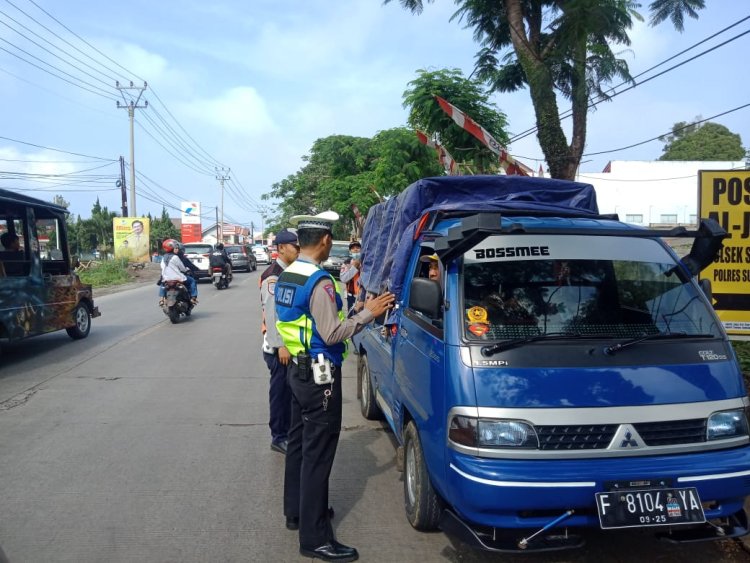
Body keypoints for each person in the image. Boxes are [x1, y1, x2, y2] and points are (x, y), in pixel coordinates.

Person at [275, 211, 394, 562]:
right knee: (318, 455)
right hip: (319, 374)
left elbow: (305, 321)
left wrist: (355, 308)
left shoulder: (289, 274)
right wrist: (368, 313)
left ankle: (296, 512)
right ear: (325, 241)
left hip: (297, 372)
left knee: (298, 445)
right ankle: (315, 539)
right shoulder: (319, 281)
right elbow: (332, 333)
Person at [259, 229, 300, 455]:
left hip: (287, 346)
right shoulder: (273, 275)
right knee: (280, 392)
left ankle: (287, 431)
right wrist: (281, 345)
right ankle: (279, 436)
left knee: (290, 391)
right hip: (277, 348)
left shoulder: (289, 272)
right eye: (295, 246)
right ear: (282, 247)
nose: (298, 250)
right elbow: (273, 313)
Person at [159, 239, 198, 306]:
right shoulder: (175, 257)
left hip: (166, 278)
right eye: (175, 247)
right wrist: (186, 271)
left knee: (162, 284)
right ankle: (193, 297)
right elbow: (182, 268)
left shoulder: (163, 258)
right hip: (177, 277)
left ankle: (161, 299)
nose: (176, 249)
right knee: (192, 281)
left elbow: (162, 267)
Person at [339, 241, 361, 313]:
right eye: (353, 248)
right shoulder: (346, 263)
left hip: (363, 297)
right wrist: (354, 267)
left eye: (357, 248)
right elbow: (343, 279)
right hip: (351, 296)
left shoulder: (366, 263)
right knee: (352, 318)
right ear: (350, 251)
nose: (355, 249)